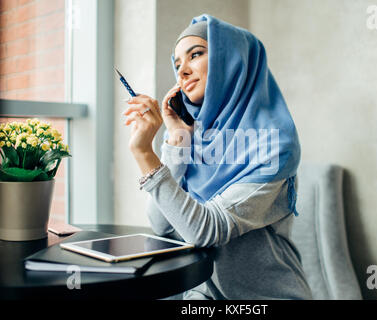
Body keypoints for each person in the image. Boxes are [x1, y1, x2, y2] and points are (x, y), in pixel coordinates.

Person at [123, 14, 312, 300]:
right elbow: (161, 224)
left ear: (232, 60)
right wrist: (175, 141)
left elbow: (205, 230)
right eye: (177, 65)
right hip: (200, 294)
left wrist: (143, 153)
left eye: (195, 55)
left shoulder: (274, 144)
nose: (182, 71)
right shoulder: (191, 134)